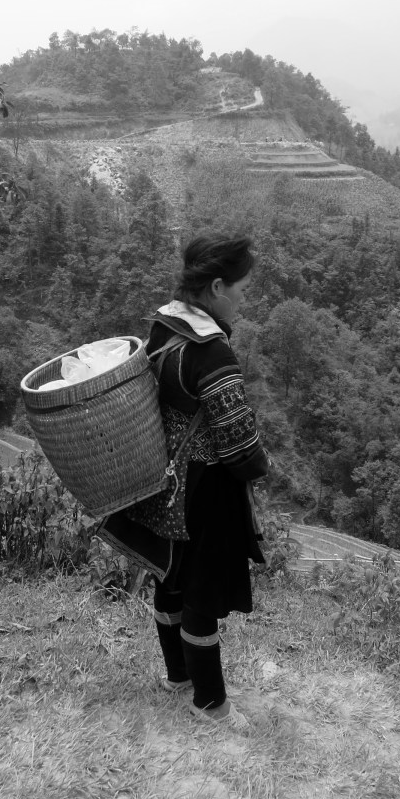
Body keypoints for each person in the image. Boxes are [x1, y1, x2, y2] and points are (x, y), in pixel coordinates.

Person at [98, 234, 269, 726]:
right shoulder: (212, 353)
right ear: (216, 287)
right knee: (202, 595)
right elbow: (238, 445)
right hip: (207, 491)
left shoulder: (164, 327)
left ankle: (179, 677)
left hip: (165, 480)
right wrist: (261, 466)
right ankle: (210, 704)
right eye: (241, 289)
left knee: (171, 580)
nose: (243, 299)